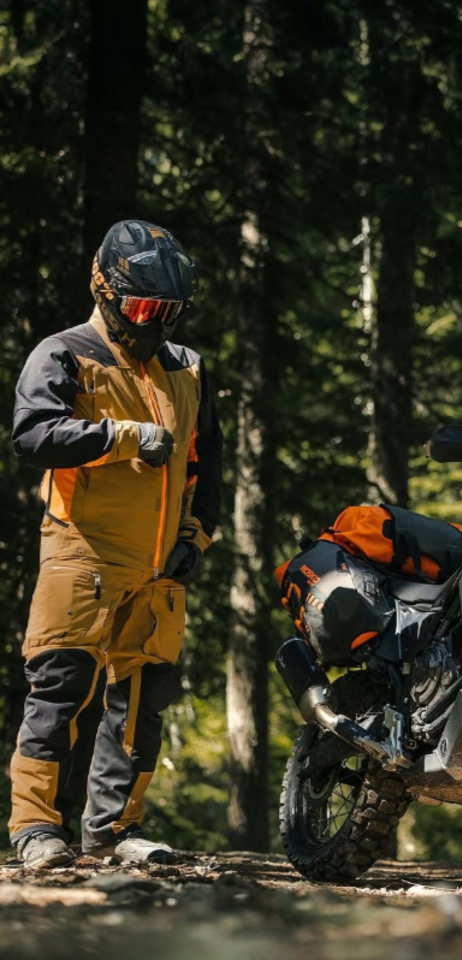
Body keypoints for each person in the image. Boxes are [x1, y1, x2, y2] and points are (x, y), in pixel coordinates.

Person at [9, 220, 223, 869]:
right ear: (106, 289)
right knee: (61, 690)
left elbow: (204, 460)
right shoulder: (65, 352)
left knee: (141, 703)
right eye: (145, 308)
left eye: (170, 310)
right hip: (81, 554)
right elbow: (33, 433)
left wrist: (198, 535)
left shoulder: (186, 368)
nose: (156, 322)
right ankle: (35, 829)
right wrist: (121, 437)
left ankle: (114, 830)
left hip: (157, 567)